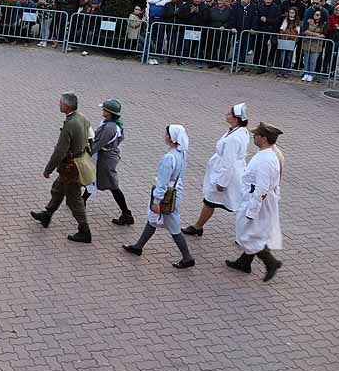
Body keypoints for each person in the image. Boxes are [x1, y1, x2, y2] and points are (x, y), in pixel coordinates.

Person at [121, 125, 196, 269]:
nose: (165, 135)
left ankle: (187, 257)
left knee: (173, 227)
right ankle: (138, 246)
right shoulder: (181, 153)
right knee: (152, 220)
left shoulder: (169, 158)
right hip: (175, 191)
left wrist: (156, 201)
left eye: (167, 134)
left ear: (172, 138)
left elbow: (162, 182)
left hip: (166, 195)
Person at [30, 92, 93, 243]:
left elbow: (60, 151)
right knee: (58, 189)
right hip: (78, 162)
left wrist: (48, 169)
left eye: (60, 102)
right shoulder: (82, 118)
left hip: (71, 167)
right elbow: (91, 136)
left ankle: (85, 230)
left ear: (66, 106)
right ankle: (47, 214)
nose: (59, 104)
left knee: (74, 199)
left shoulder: (70, 124)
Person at [227, 122, 284, 282]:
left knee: (250, 235)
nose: (254, 136)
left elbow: (261, 189)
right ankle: (244, 262)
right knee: (253, 233)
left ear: (264, 138)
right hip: (257, 199)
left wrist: (252, 210)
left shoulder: (266, 160)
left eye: (256, 135)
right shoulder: (268, 154)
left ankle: (271, 262)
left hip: (257, 202)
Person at [183, 103, 250, 237]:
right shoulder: (238, 131)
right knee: (211, 201)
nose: (227, 114)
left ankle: (248, 232)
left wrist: (222, 182)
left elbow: (229, 163)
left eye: (229, 114)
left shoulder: (234, 138)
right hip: (230, 172)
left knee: (224, 202)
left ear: (236, 118)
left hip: (227, 174)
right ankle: (198, 226)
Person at [85, 99, 133, 226]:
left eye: (104, 109)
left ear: (110, 112)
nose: (103, 110)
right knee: (92, 179)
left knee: (113, 186)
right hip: (106, 157)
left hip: (106, 160)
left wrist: (86, 154)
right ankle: (82, 200)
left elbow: (98, 143)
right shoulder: (112, 124)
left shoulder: (109, 128)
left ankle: (127, 214)